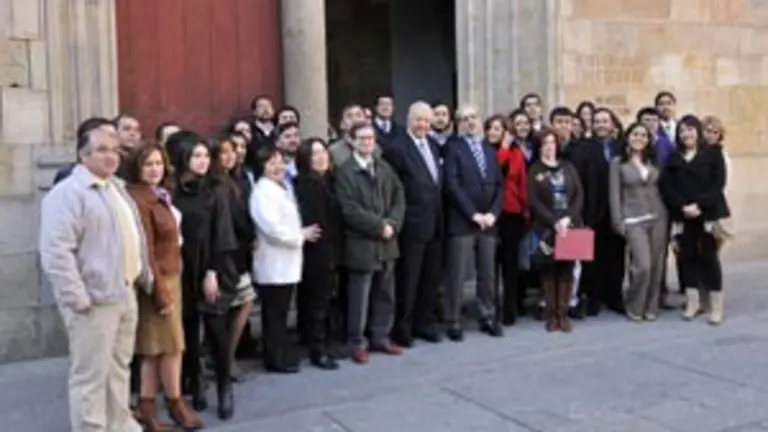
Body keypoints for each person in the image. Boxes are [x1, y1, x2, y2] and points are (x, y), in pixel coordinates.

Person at [40, 127, 151, 432]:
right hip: (94, 300)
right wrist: (77, 297)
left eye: (115, 150)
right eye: (102, 149)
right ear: (83, 154)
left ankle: (119, 424)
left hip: (124, 291)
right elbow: (56, 251)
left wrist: (142, 276)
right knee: (90, 377)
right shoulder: (68, 193)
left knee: (118, 368)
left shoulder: (116, 188)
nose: (110, 156)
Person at [125, 144, 203, 430]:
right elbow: (145, 249)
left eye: (158, 163)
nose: (154, 169)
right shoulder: (139, 198)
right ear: (136, 167)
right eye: (148, 164)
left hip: (172, 275)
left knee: (156, 348)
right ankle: (175, 403)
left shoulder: (158, 194)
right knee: (171, 347)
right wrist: (159, 291)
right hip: (158, 280)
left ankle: (147, 407)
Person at [171, 131, 240, 420]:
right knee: (188, 329)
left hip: (212, 264)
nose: (202, 161)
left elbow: (222, 233)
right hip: (182, 267)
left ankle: (224, 386)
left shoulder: (217, 189)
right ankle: (195, 382)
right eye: (195, 156)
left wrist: (212, 271)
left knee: (216, 330)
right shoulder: (172, 190)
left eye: (205, 156)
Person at [336, 122, 406, 364]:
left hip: (387, 243)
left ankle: (381, 336)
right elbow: (349, 209)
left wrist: (393, 224)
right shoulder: (345, 172)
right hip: (362, 244)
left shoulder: (384, 167)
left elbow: (399, 197)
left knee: (385, 294)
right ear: (352, 141)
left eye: (370, 138)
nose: (367, 142)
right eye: (362, 138)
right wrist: (379, 226)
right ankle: (357, 342)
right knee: (360, 297)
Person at [250, 144, 321, 372]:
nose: (277, 167)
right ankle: (275, 359)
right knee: (274, 314)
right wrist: (301, 235)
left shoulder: (282, 187)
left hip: (287, 261)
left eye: (280, 162)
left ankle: (282, 354)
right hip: (273, 262)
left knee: (280, 313)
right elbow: (272, 229)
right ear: (262, 167)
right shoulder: (262, 192)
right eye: (271, 163)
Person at [381, 101, 444, 346]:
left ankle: (423, 323)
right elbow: (394, 189)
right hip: (412, 225)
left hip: (435, 222)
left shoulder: (433, 145)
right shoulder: (397, 148)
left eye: (427, 121)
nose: (423, 125)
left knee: (430, 278)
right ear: (409, 120)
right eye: (419, 120)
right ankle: (403, 328)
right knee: (409, 280)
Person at [660, 115, 730, 325]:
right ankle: (693, 303)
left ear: (698, 132)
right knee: (687, 258)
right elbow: (667, 186)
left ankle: (716, 307)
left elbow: (718, 183)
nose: (686, 134)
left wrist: (699, 205)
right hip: (683, 216)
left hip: (707, 215)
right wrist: (683, 206)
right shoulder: (673, 158)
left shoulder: (712, 153)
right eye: (682, 130)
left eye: (690, 129)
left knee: (709, 258)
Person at [443, 105, 504, 341]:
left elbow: (499, 185)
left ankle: (487, 316)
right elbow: (452, 185)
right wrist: (473, 214)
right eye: (465, 118)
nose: (470, 122)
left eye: (474, 117)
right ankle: (453, 320)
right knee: (457, 274)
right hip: (463, 221)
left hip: (488, 222)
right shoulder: (453, 148)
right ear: (459, 124)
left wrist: (493, 214)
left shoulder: (488, 149)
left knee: (487, 273)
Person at [609, 123, 668, 322]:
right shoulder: (618, 163)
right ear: (627, 137)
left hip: (658, 216)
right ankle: (635, 305)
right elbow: (614, 194)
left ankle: (651, 306)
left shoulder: (652, 161)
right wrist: (618, 221)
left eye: (643, 135)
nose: (639, 138)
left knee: (657, 265)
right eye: (635, 134)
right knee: (643, 265)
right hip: (633, 218)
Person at [527, 128, 584, 332]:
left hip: (570, 225)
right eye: (545, 143)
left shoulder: (568, 167)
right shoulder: (535, 170)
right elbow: (534, 200)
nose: (549, 147)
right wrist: (553, 221)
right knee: (549, 271)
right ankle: (551, 314)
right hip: (546, 228)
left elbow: (578, 195)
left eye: (552, 142)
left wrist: (568, 218)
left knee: (567, 271)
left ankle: (563, 313)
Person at [295, 137, 343, 369]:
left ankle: (322, 343)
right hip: (318, 251)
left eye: (323, 151)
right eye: (315, 154)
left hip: (330, 248)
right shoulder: (308, 184)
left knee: (323, 301)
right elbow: (319, 223)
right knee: (317, 302)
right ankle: (318, 350)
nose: (321, 156)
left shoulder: (328, 180)